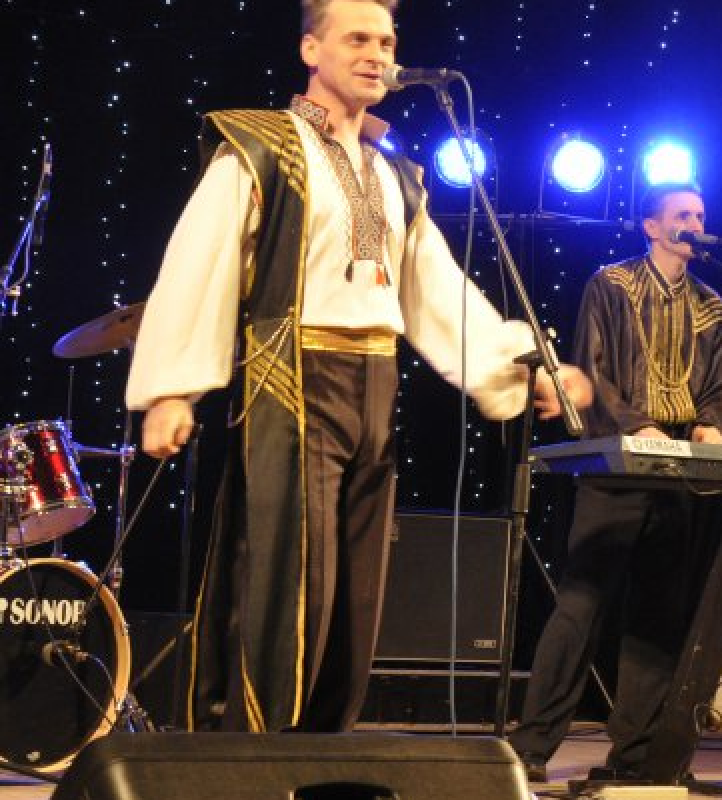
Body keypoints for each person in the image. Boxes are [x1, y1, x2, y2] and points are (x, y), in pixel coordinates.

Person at [125, 0, 590, 734]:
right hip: (293, 374)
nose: (378, 54)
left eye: (387, 41)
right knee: (293, 570)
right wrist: (172, 390)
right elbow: (200, 262)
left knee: (356, 581)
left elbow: (434, 290)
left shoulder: (394, 171)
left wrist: (522, 364)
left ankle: (323, 740)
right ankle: (257, 742)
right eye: (358, 38)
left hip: (373, 378)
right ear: (311, 49)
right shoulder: (261, 148)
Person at [507, 182, 722, 782]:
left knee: (659, 617)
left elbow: (716, 387)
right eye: (683, 215)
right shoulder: (611, 285)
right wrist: (639, 427)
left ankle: (636, 756)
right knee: (581, 606)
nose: (694, 224)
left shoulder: (712, 306)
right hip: (619, 467)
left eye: (700, 215)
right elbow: (596, 369)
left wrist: (712, 425)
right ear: (652, 226)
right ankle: (531, 746)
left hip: (676, 471)